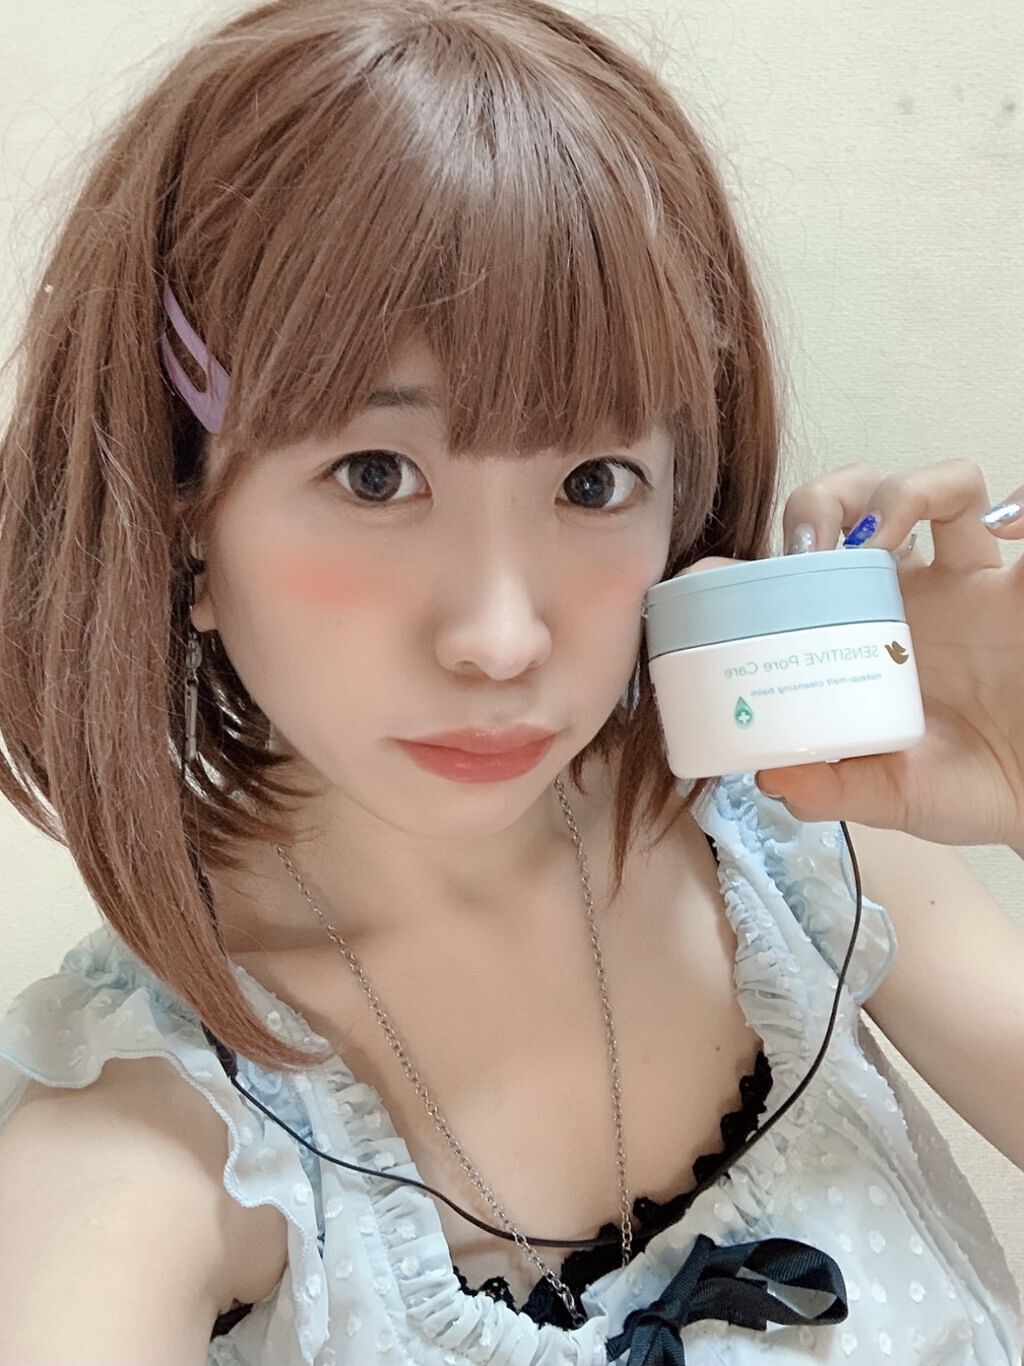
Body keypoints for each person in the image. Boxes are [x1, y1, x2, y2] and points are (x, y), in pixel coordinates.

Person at [0, 1, 1021, 1362]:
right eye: (375, 475)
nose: (499, 638)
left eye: (593, 482)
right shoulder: (156, 1142)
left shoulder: (792, 844)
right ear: (185, 511)